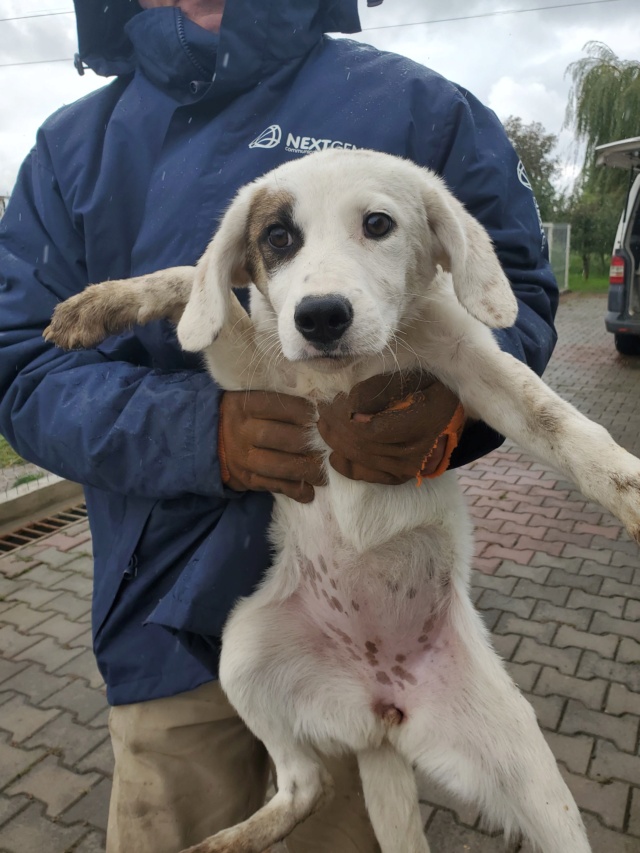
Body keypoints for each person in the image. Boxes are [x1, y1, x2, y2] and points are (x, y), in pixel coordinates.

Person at [0, 1, 559, 851]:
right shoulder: (73, 149)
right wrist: (202, 432)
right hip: (166, 628)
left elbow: (511, 284)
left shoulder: (419, 108)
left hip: (371, 622)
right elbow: (22, 362)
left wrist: (444, 410)